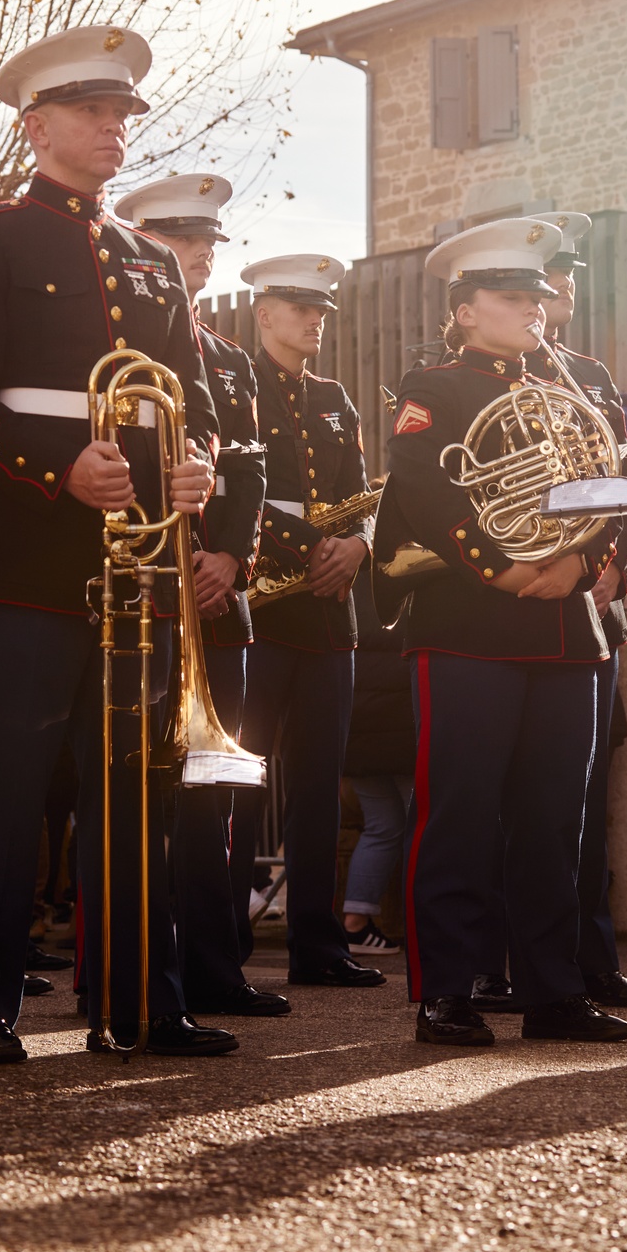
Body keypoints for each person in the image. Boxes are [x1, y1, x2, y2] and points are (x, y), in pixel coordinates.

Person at [0, 25, 236, 1062]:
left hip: (137, 559)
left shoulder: (152, 261)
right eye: (93, 114)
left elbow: (189, 398)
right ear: (37, 125)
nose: (112, 130)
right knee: (1, 787)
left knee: (134, 786)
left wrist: (198, 469)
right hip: (19, 552)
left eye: (120, 116)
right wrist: (56, 468)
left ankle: (142, 1000)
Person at [384, 217, 627, 1046]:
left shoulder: (573, 387)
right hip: (467, 628)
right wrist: (510, 570)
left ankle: (554, 991)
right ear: (465, 311)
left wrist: (586, 565)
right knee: (458, 815)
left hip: (567, 628)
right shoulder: (436, 386)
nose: (532, 307)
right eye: (510, 296)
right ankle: (446, 993)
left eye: (536, 294)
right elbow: (427, 494)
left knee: (556, 819)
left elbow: (609, 483)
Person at [113, 174, 287, 1016]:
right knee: (134, 798)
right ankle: (126, 977)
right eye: (181, 243)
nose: (199, 257)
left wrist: (229, 559)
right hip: (137, 591)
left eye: (207, 245)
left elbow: (248, 470)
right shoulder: (107, 345)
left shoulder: (226, 359)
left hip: (215, 597)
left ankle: (215, 969)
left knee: (216, 791)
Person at [513, 212, 627, 1011]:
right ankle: (515, 966)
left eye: (564, 275)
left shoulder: (593, 376)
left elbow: (624, 483)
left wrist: (611, 565)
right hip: (519, 598)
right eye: (542, 276)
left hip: (591, 607)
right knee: (520, 800)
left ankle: (592, 962)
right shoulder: (484, 372)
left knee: (584, 795)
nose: (557, 287)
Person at [229, 254, 385, 989]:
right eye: (301, 308)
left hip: (327, 612)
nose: (316, 319)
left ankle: (318, 947)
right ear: (264, 313)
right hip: (258, 604)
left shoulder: (332, 397)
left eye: (321, 308)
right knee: (238, 778)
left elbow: (361, 497)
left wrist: (360, 545)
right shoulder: (231, 383)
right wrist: (310, 544)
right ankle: (222, 943)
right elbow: (231, 492)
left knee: (321, 786)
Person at [340, 563, 415, 955]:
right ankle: (425, 924)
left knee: (381, 827)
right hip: (403, 730)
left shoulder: (352, 580)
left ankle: (355, 922)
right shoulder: (409, 581)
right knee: (422, 826)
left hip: (360, 729)